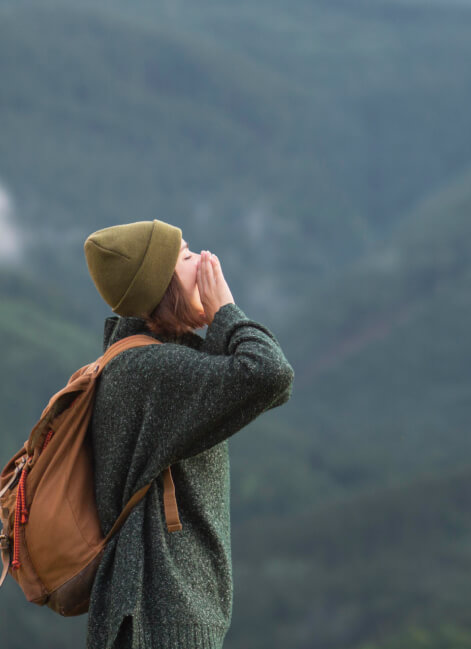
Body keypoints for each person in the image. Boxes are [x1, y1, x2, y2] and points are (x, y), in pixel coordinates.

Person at [81, 219, 294, 649]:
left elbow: (224, 388)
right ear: (159, 288)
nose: (203, 261)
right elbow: (271, 374)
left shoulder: (136, 363)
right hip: (161, 622)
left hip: (145, 619)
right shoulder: (152, 372)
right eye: (184, 257)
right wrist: (226, 312)